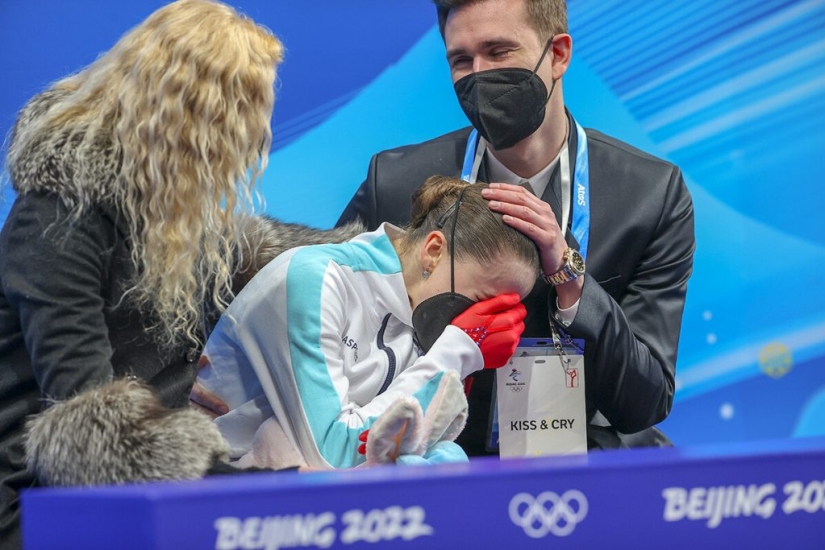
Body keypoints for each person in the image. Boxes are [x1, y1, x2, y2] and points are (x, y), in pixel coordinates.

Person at [0, 1, 361, 547]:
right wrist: (256, 492)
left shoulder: (164, 210)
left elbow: (256, 248)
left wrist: (391, 249)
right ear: (187, 119)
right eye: (240, 118)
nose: (247, 142)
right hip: (39, 497)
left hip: (147, 489)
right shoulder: (57, 217)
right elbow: (93, 429)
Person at [337, 0, 695, 454]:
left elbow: (644, 402)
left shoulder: (650, 195)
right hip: (437, 459)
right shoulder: (395, 184)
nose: (479, 74)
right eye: (461, 60)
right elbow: (321, 314)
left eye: (499, 51)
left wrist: (571, 280)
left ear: (559, 55)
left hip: (586, 458)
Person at [192, 176, 538, 470]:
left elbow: (398, 449)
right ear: (433, 250)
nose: (486, 322)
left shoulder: (421, 312)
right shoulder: (314, 279)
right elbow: (333, 456)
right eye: (483, 303)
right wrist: (460, 347)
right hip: (218, 493)